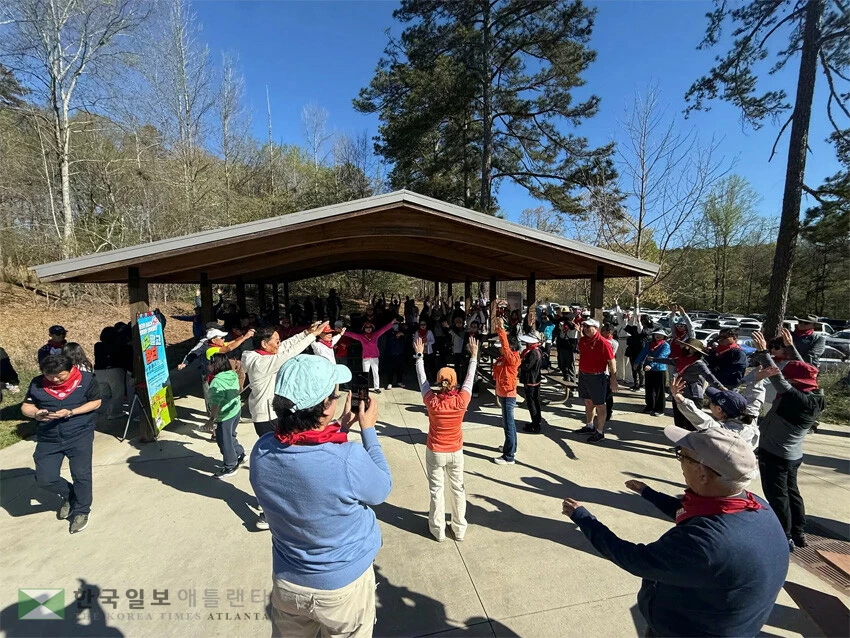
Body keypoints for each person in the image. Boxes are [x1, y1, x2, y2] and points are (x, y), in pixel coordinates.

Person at [561, 425, 789, 638]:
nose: (680, 462)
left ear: (703, 474)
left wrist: (584, 519)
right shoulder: (752, 505)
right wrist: (649, 493)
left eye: (683, 456)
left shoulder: (705, 543)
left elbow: (635, 559)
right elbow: (691, 512)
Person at [250, 355, 390, 638]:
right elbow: (381, 488)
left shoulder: (261, 451)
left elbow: (307, 454)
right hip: (342, 588)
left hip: (288, 582)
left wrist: (340, 428)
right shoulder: (347, 458)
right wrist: (368, 430)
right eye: (335, 395)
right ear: (326, 406)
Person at [751, 331, 825, 550]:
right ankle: (799, 532)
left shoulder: (795, 397)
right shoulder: (815, 396)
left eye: (792, 378)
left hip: (775, 454)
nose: (789, 379)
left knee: (778, 496)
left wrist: (763, 352)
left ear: (796, 382)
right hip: (793, 455)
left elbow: (778, 378)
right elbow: (806, 370)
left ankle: (783, 536)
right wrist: (791, 349)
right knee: (792, 492)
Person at [21, 353, 102, 534]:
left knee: (81, 474)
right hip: (48, 437)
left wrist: (71, 412)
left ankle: (82, 510)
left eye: (60, 376)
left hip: (79, 434)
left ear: (71, 369)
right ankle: (70, 494)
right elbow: (26, 406)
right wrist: (36, 413)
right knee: (45, 478)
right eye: (49, 376)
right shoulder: (37, 383)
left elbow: (96, 402)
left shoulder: (86, 380)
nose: (55, 380)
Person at [413, 334, 478, 542]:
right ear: (454, 382)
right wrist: (474, 356)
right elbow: (469, 379)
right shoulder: (461, 401)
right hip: (456, 451)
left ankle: (438, 529)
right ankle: (459, 529)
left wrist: (419, 356)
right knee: (458, 489)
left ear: (438, 381)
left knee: (436, 490)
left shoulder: (432, 402)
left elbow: (422, 380)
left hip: (435, 450)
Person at [646, 338, 725, 430]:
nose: (683, 347)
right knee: (679, 423)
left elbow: (709, 376)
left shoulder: (699, 364)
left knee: (692, 424)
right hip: (679, 393)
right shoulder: (681, 360)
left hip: (693, 396)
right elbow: (669, 361)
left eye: (686, 346)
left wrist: (720, 387)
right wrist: (654, 359)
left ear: (693, 350)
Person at [669, 375, 765, 448]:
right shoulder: (750, 422)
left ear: (719, 409)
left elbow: (702, 420)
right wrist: (758, 381)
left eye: (712, 401)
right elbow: (754, 401)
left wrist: (681, 400)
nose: (709, 402)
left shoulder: (724, 433)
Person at [202, 354, 245, 479]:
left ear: (216, 365)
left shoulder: (216, 382)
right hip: (235, 411)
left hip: (224, 416)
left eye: (210, 363)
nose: (208, 366)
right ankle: (240, 453)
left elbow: (216, 403)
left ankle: (230, 466)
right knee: (230, 435)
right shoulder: (232, 374)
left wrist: (211, 419)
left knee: (223, 441)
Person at [575, 319, 617, 442]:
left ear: (596, 328)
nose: (586, 329)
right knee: (588, 402)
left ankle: (600, 431)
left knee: (599, 405)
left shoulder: (603, 343)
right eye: (585, 326)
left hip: (597, 377)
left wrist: (614, 380)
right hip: (584, 375)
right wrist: (579, 374)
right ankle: (589, 425)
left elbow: (611, 362)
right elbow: (582, 357)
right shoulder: (583, 340)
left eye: (589, 327)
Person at [490, 303, 522, 465]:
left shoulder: (512, 358)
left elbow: (505, 345)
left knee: (509, 425)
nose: (500, 349)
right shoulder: (503, 359)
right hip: (503, 393)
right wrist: (498, 328)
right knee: (508, 425)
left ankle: (509, 457)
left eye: (503, 347)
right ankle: (511, 447)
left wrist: (501, 330)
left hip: (508, 395)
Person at [346, 319, 396, 393]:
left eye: (370, 327)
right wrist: (342, 332)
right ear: (364, 329)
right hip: (366, 358)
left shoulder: (376, 335)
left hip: (375, 357)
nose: (368, 328)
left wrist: (391, 323)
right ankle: (364, 389)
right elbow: (352, 335)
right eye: (366, 327)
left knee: (375, 373)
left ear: (372, 328)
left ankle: (376, 388)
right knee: (365, 374)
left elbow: (384, 329)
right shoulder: (361, 337)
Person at [93, 327, 126, 420]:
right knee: (117, 393)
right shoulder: (119, 346)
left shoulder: (97, 346)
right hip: (114, 370)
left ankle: (102, 411)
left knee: (103, 394)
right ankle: (114, 412)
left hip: (99, 371)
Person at [635, 329, 670, 417]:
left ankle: (660, 409)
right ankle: (650, 406)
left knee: (659, 391)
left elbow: (661, 357)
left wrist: (651, 365)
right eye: (656, 334)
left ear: (664, 336)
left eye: (660, 334)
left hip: (659, 370)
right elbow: (643, 353)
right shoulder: (649, 344)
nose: (658, 336)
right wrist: (637, 362)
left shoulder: (665, 345)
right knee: (649, 389)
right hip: (649, 369)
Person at [519, 331, 543, 434]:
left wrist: (520, 363)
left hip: (531, 380)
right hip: (533, 380)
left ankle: (535, 425)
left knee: (532, 403)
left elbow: (527, 366)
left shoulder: (533, 352)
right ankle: (535, 422)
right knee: (534, 402)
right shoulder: (535, 350)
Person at [555, 310, 579, 396]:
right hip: (563, 347)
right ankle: (565, 385)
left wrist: (567, 321)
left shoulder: (574, 326)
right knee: (563, 367)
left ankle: (573, 387)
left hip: (570, 349)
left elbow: (572, 327)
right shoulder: (563, 325)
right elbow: (557, 323)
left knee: (571, 367)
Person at [599, 323, 619, 422]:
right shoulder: (598, 340)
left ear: (609, 332)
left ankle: (609, 412)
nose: (601, 332)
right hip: (597, 369)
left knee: (608, 395)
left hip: (606, 370)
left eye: (603, 330)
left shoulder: (613, 343)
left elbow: (611, 357)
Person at [385, 323, 407, 389]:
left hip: (400, 354)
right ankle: (389, 383)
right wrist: (396, 335)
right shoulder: (389, 332)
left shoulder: (402, 331)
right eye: (394, 324)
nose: (395, 326)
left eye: (397, 324)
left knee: (400, 369)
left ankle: (399, 382)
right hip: (391, 354)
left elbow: (406, 339)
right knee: (390, 369)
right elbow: (388, 339)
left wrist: (403, 334)